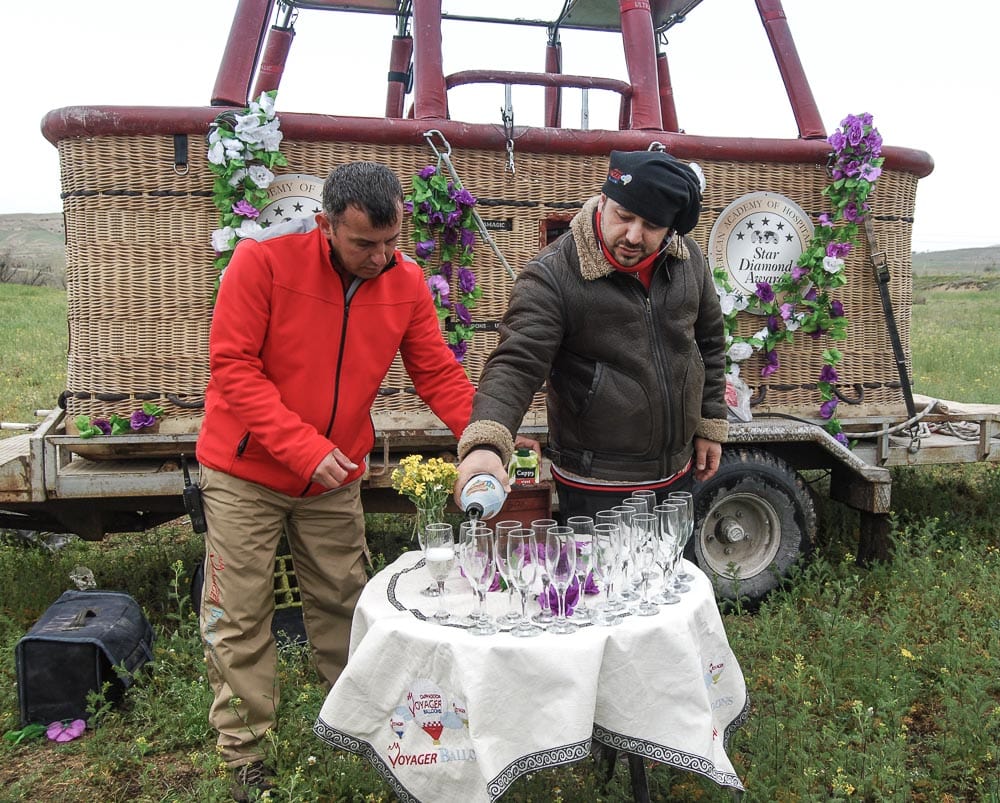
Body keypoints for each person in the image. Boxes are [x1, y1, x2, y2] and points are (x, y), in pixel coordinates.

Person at [195, 161, 474, 800]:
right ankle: (245, 757)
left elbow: (436, 373)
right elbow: (233, 368)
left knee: (347, 605)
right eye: (363, 244)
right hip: (245, 472)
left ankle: (358, 729)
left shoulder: (406, 283)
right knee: (239, 615)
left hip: (333, 474)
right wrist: (299, 447)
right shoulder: (260, 264)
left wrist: (485, 435)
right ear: (325, 225)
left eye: (392, 242)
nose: (381, 258)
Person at [455, 149, 727, 520]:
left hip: (676, 475)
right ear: (603, 201)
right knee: (597, 580)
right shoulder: (552, 275)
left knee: (664, 574)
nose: (633, 235)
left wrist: (710, 422)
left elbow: (708, 342)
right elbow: (517, 363)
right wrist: (486, 443)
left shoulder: (688, 260)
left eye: (651, 225)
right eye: (624, 216)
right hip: (596, 482)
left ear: (671, 227)